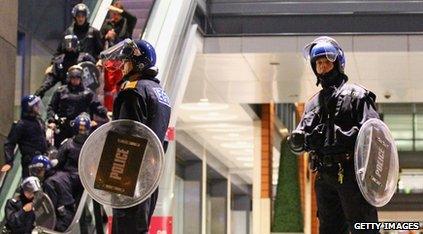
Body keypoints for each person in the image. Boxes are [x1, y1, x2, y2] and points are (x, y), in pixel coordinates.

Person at [288, 36, 380, 234]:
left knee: (362, 227)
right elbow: (302, 137)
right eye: (318, 63)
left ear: (338, 63)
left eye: (326, 62)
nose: (322, 67)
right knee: (329, 229)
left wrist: (339, 136)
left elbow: (373, 135)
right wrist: (298, 142)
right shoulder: (312, 104)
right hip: (324, 177)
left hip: (353, 175)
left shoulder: (358, 96)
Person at [101, 39, 171, 233]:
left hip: (129, 175)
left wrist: (111, 178)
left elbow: (125, 138)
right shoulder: (160, 93)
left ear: (138, 64)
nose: (123, 66)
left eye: (127, 61)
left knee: (125, 228)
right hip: (150, 176)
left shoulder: (132, 90)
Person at [47, 65, 108, 147]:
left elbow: (96, 106)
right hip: (63, 127)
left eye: (77, 78)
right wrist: (51, 121)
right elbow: (51, 107)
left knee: (81, 149)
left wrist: (105, 114)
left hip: (82, 127)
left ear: (81, 79)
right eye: (73, 78)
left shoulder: (87, 93)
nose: (75, 80)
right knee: (61, 150)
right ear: (69, 78)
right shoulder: (60, 91)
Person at [100, 1, 137, 111]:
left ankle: (121, 109)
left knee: (121, 85)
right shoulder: (108, 24)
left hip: (123, 60)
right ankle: (108, 110)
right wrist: (106, 36)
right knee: (108, 88)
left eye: (116, 13)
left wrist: (120, 11)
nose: (114, 16)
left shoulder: (127, 23)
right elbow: (100, 40)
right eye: (113, 13)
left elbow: (133, 18)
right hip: (111, 60)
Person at [1, 95, 48, 178]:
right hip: (30, 162)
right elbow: (9, 144)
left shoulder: (39, 121)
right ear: (29, 108)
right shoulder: (20, 125)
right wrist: (9, 162)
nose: (38, 107)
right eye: (35, 105)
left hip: (42, 159)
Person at [29, 155, 75, 232]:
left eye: (38, 170)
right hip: (72, 210)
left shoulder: (49, 183)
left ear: (45, 168)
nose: (37, 173)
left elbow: (50, 206)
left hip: (62, 219)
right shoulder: (62, 174)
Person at [56, 113, 91, 203]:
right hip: (70, 181)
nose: (82, 133)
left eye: (84, 130)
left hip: (85, 182)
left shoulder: (92, 145)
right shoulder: (68, 144)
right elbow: (58, 162)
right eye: (80, 130)